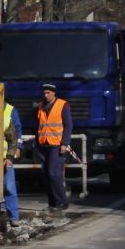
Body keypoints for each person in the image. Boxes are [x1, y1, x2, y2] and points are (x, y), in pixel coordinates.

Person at [36, 83, 72, 212]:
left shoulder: (62, 105)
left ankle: (61, 202)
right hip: (43, 144)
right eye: (44, 93)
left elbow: (68, 126)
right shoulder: (40, 107)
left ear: (53, 93)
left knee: (54, 174)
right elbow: (39, 126)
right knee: (46, 174)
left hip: (56, 145)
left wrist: (65, 143)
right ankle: (52, 203)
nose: (45, 95)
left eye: (48, 93)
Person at [2, 101, 23, 227]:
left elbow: (15, 136)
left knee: (9, 186)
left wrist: (12, 154)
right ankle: (1, 212)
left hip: (5, 157)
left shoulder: (10, 110)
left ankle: (13, 216)